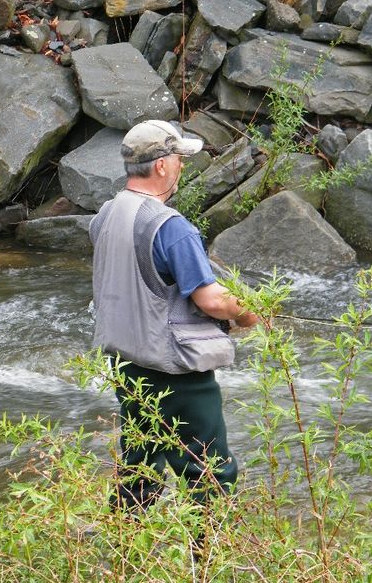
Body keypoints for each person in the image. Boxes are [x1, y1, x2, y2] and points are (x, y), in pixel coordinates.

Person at [89, 120, 260, 510]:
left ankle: (126, 542)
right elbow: (212, 300)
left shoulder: (106, 215)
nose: (182, 166)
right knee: (210, 471)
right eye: (179, 159)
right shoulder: (171, 227)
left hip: (125, 363)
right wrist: (250, 313)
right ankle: (212, 547)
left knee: (141, 465)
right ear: (161, 165)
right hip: (174, 369)